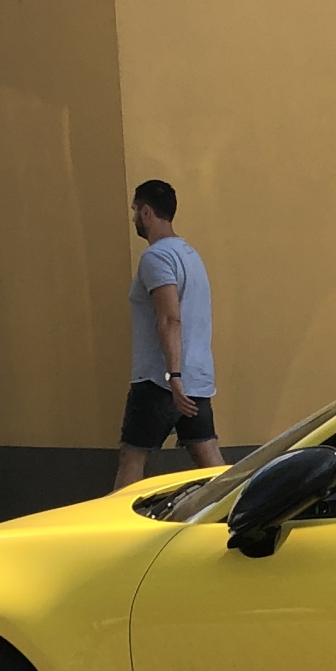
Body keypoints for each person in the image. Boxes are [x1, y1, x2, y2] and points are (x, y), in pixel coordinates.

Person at [114, 180, 219, 488]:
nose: (134, 217)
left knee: (132, 459)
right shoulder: (190, 255)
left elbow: (170, 318)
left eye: (135, 210)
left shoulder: (157, 258)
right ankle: (238, 516)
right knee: (209, 458)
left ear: (147, 212)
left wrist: (173, 375)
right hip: (197, 381)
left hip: (160, 383)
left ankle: (118, 531)